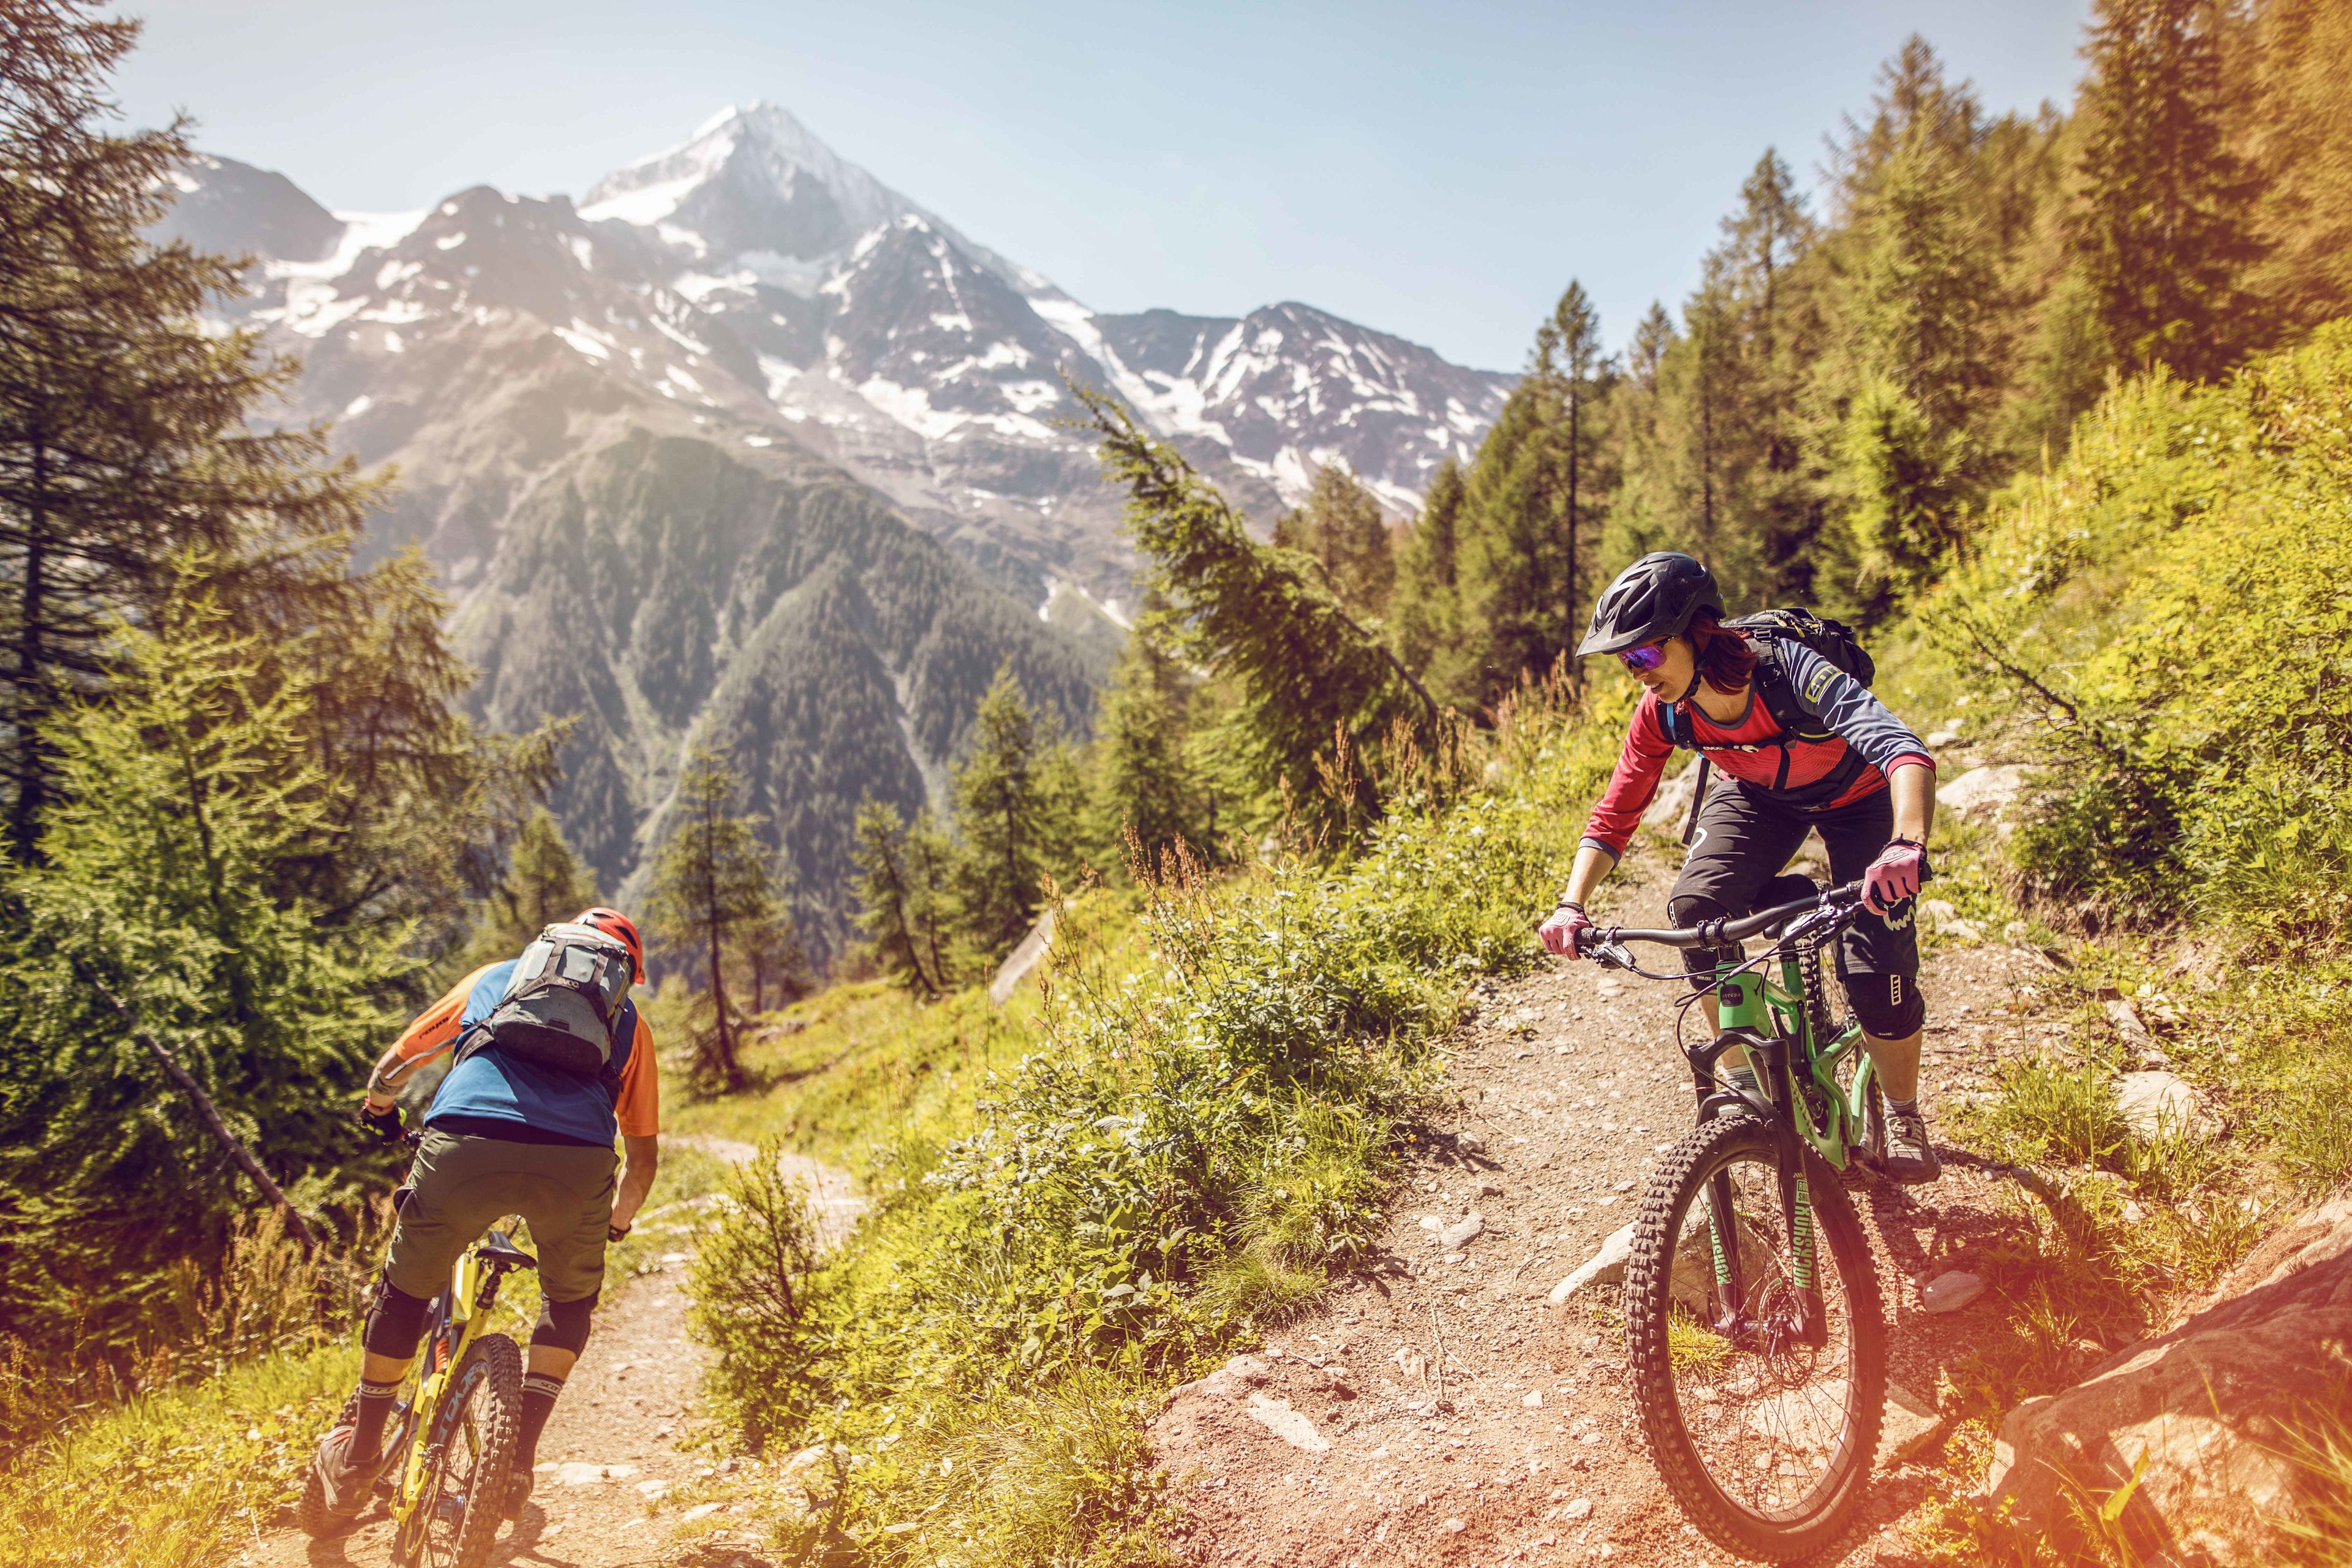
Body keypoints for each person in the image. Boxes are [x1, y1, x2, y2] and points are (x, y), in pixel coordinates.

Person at [1537, 553, 1942, 1184]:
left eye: (1644, 655)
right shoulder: (1666, 710)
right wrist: (1572, 903)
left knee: (1876, 969)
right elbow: (1617, 809)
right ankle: (1746, 1086)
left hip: (1858, 798)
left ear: (1695, 633)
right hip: (1761, 798)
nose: (1638, 674)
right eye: (1627, 662)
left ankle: (1903, 1111)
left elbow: (1901, 747)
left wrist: (1906, 844)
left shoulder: (1787, 673)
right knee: (1696, 912)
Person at [306, 906, 662, 1525]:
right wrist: (616, 1222)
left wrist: (380, 1108)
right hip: (577, 1164)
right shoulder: (632, 1026)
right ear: (623, 974)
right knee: (568, 1302)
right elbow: (645, 1157)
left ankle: (361, 1454)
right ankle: (517, 1460)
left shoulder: (494, 977)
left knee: (405, 1287)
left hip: (465, 1140)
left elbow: (398, 1062)